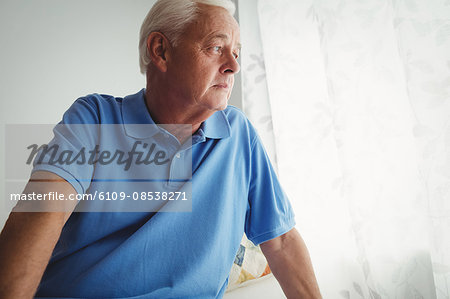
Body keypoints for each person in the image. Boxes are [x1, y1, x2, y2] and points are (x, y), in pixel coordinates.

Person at [0, 0, 322, 298]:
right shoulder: (94, 119)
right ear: (161, 50)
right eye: (216, 47)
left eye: (236, 52)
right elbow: (42, 212)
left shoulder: (240, 135)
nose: (233, 66)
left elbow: (280, 242)